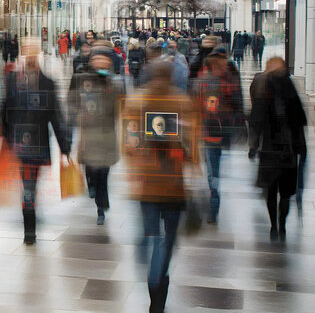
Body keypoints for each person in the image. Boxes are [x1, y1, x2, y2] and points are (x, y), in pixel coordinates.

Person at [123, 60, 199, 313]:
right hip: (173, 185)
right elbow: (190, 146)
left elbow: (129, 142)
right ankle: (158, 292)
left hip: (147, 183)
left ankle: (155, 287)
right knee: (168, 241)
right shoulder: (181, 102)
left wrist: (137, 153)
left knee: (153, 236)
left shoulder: (137, 101)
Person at [0, 38, 70, 244]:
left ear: (37, 53)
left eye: (32, 50)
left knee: (30, 185)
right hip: (19, 142)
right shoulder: (12, 80)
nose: (29, 54)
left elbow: (56, 115)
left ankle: (30, 219)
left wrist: (65, 146)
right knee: (27, 185)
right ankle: (30, 225)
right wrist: (1, 138)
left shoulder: (47, 82)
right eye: (26, 50)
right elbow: (3, 110)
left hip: (37, 142)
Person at [249, 57, 307, 240]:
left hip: (269, 149)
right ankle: (282, 224)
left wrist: (253, 145)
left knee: (271, 190)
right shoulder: (290, 90)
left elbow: (257, 120)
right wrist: (302, 150)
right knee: (286, 192)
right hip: (288, 150)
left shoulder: (264, 90)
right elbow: (300, 122)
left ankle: (273, 224)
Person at [68, 46, 122, 225]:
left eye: (104, 59)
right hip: (89, 134)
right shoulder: (82, 79)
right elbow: (71, 102)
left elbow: (119, 109)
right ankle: (92, 185)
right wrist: (77, 115)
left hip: (106, 134)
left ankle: (101, 205)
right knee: (92, 168)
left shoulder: (114, 82)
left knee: (103, 172)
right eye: (97, 59)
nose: (101, 62)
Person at [193, 49, 242, 223]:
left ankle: (214, 205)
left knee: (213, 170)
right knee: (212, 170)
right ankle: (213, 203)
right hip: (209, 132)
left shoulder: (228, 80)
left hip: (217, 131)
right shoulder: (203, 81)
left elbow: (237, 104)